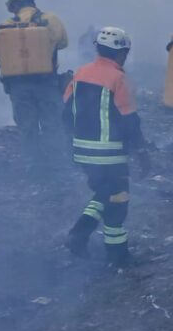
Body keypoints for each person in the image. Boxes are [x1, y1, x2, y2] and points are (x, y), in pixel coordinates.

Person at [63, 27, 150, 267]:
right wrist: (142, 152)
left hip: (82, 150)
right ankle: (116, 255)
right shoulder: (118, 78)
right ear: (121, 53)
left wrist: (71, 145)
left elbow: (66, 112)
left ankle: (80, 237)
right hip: (109, 153)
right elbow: (130, 119)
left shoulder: (80, 73)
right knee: (118, 199)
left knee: (104, 193)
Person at [0, 0, 68, 177]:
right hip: (46, 83)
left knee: (27, 127)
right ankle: (58, 165)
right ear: (32, 1)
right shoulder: (50, 19)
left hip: (18, 88)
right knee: (52, 123)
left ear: (13, 6)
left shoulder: (6, 24)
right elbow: (63, 43)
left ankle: (34, 167)